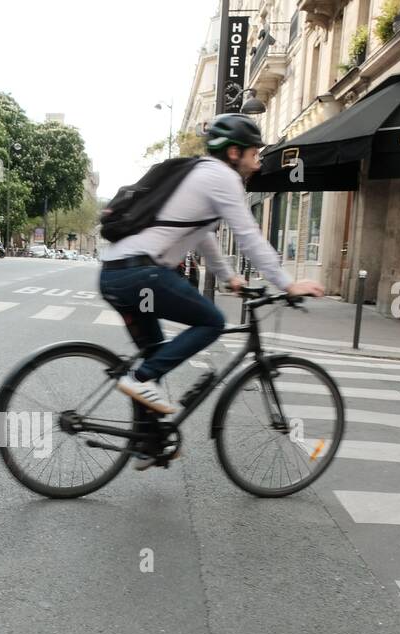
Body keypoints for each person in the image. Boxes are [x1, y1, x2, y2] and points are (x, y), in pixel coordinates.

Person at [99, 114, 324, 430]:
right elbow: (247, 235)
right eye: (254, 153)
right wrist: (287, 283)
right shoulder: (222, 178)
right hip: (141, 274)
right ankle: (138, 379)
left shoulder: (198, 174)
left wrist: (229, 277)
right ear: (234, 153)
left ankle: (147, 442)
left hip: (114, 274)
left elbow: (204, 237)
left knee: (155, 355)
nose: (258, 163)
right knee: (212, 321)